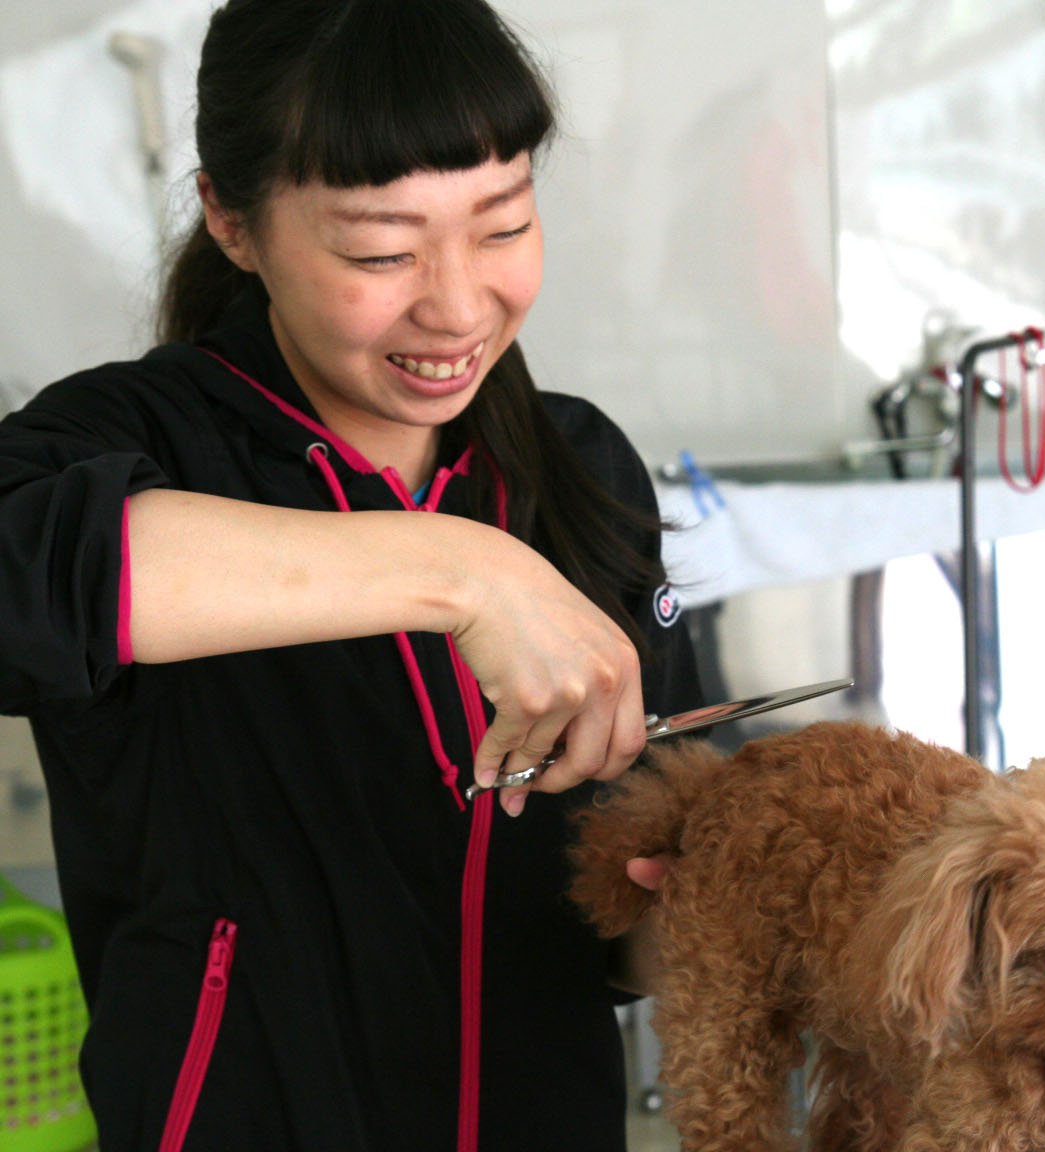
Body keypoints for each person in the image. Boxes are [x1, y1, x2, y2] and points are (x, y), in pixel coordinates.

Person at [0, 1, 704, 1149]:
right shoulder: (131, 438)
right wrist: (457, 573)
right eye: (382, 250)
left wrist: (717, 906)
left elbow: (614, 914)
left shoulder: (578, 468)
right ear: (232, 220)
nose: (460, 305)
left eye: (503, 224)